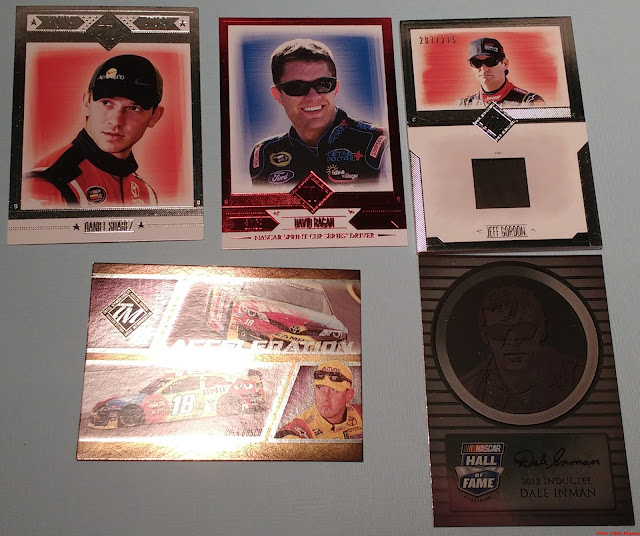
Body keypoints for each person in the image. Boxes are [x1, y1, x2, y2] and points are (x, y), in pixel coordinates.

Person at [22, 54, 165, 207]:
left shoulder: (146, 193)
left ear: (154, 116)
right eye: (106, 103)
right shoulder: (46, 185)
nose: (116, 121)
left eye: (133, 108)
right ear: (87, 102)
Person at [250, 39, 387, 186]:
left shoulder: (381, 145)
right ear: (277, 95)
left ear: (336, 88)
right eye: (296, 87)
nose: (313, 97)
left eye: (323, 84)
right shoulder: (264, 155)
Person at [460, 285, 584, 414]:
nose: (512, 340)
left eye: (524, 328)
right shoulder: (469, 391)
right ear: (485, 337)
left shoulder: (577, 378)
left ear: (542, 331)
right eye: (499, 331)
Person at [275, 361, 362, 439]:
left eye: (334, 390)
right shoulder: (298, 430)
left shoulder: (360, 413)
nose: (325, 397)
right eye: (320, 388)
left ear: (349, 395)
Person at [456, 37, 545, 107]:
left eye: (490, 62)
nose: (483, 68)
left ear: (505, 64)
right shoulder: (464, 104)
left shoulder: (529, 102)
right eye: (476, 63)